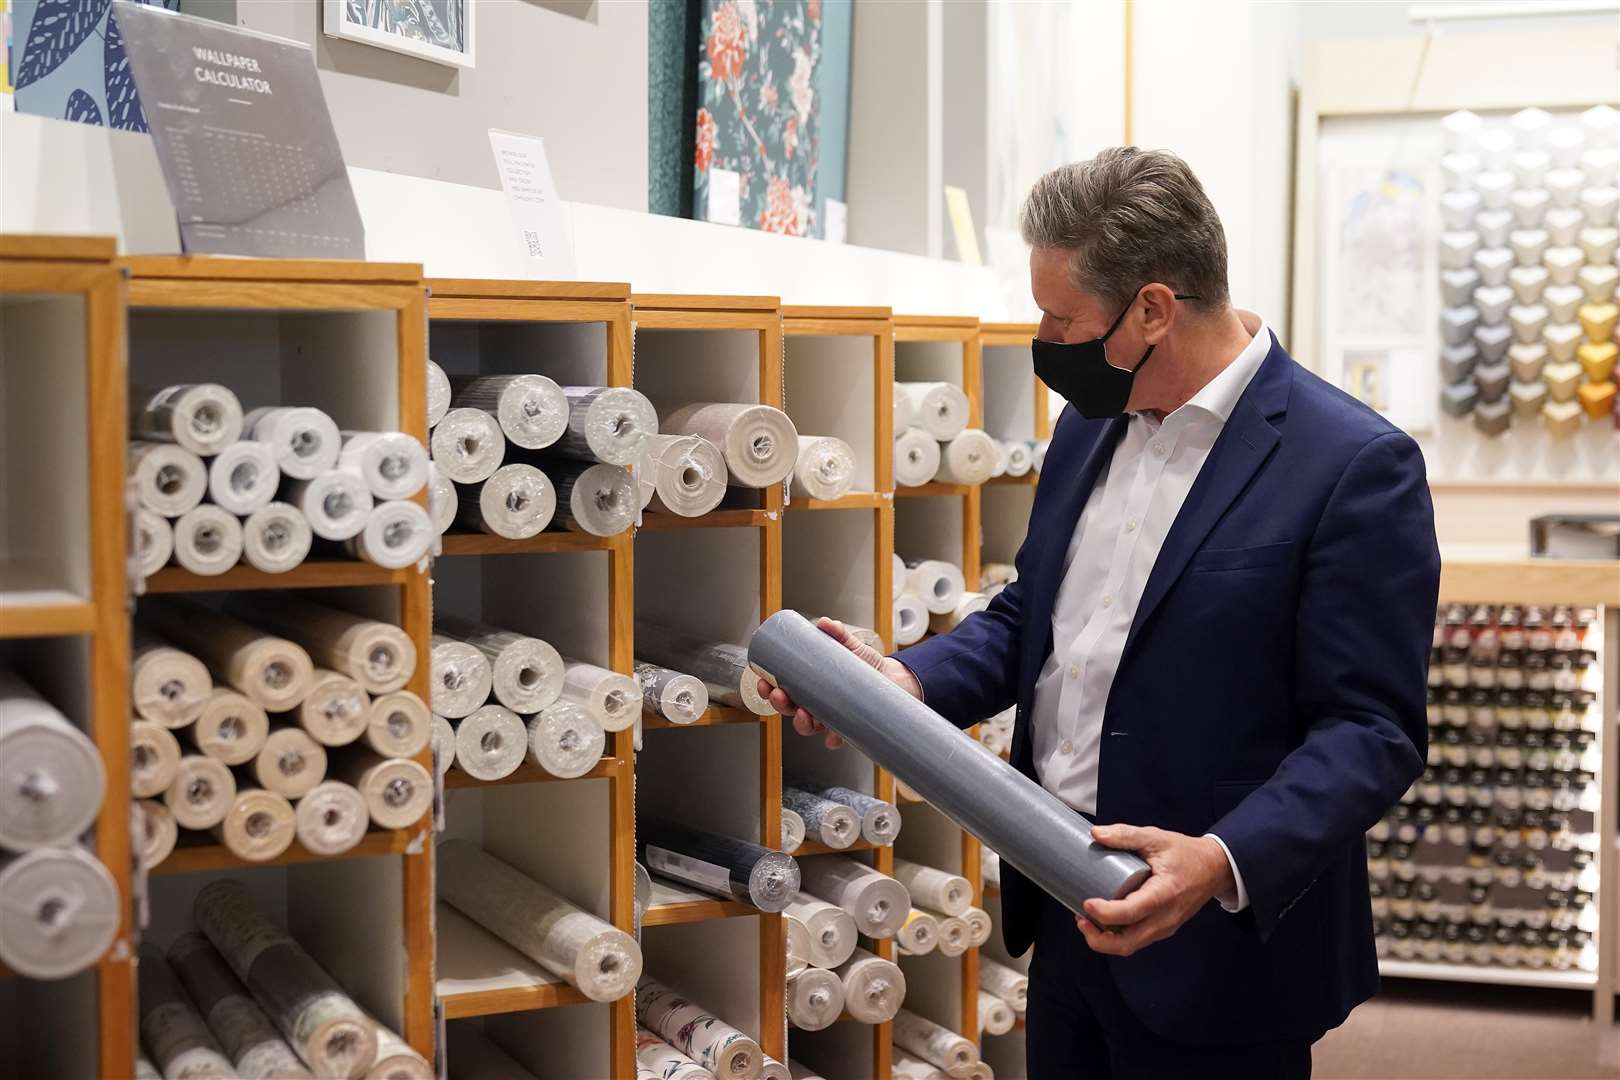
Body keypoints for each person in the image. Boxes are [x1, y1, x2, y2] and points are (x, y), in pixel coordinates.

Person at [761, 147, 1440, 1078]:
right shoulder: (1091, 427)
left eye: (1061, 318)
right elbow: (1031, 617)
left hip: (1221, 950)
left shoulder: (1353, 464)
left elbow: (1371, 732)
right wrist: (903, 680)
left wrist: (1220, 859)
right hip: (1065, 909)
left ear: (1154, 309)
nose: (1047, 340)